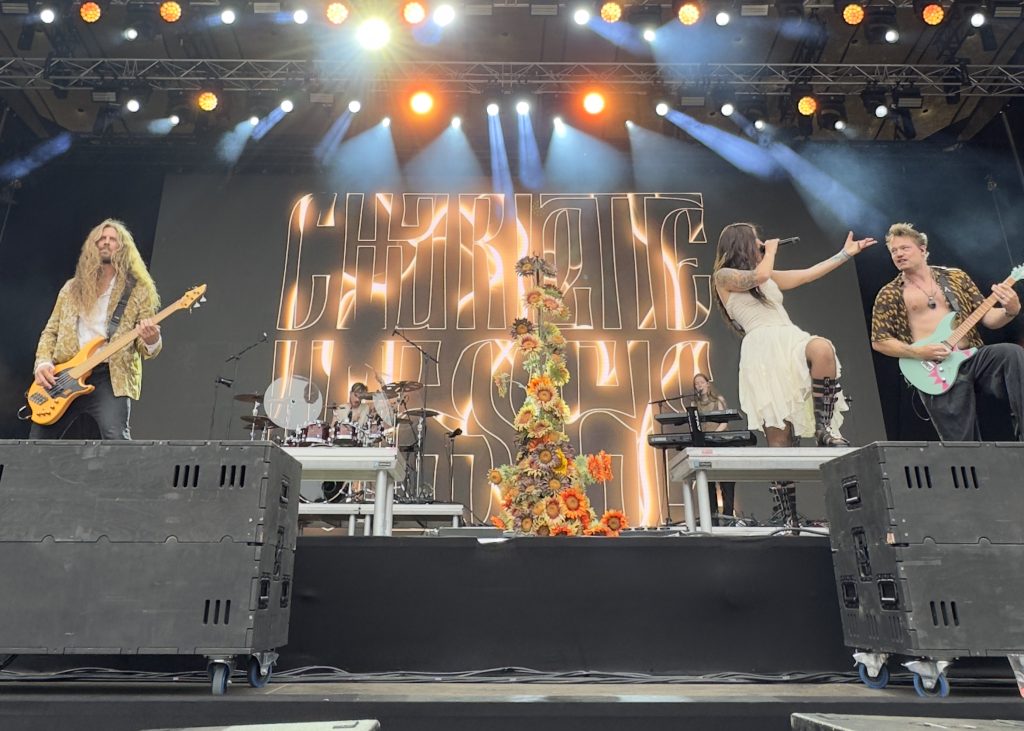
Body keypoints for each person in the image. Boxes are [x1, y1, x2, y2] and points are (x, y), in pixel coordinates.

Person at [713, 223, 876, 526]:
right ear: (742, 243)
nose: (762, 242)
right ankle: (788, 516)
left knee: (822, 349)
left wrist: (845, 254)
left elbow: (807, 274)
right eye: (756, 238)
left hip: (789, 338)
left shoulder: (767, 273)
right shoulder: (725, 276)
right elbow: (758, 276)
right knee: (780, 439)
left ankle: (824, 430)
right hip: (762, 349)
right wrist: (771, 251)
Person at [871, 222, 1024, 441]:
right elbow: (880, 341)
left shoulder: (955, 277)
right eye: (894, 251)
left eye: (904, 248)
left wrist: (1011, 310)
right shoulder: (889, 293)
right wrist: (920, 353)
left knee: (1012, 354)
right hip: (934, 368)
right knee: (962, 442)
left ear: (922, 249)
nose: (898, 254)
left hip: (971, 356)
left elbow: (988, 318)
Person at [31, 219, 161, 440]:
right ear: (92, 246)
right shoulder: (71, 288)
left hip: (109, 375)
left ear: (123, 248)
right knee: (37, 442)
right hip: (64, 374)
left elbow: (145, 346)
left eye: (112, 239)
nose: (106, 243)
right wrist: (43, 363)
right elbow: (50, 331)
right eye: (101, 239)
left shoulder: (138, 291)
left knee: (115, 438)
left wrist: (152, 339)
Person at [692, 373, 735, 524]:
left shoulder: (718, 400)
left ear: (708, 384)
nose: (699, 386)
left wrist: (713, 434)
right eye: (696, 384)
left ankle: (729, 518)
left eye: (701, 383)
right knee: (708, 482)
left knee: (726, 482)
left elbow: (725, 422)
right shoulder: (694, 404)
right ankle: (711, 518)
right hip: (704, 445)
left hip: (720, 443)